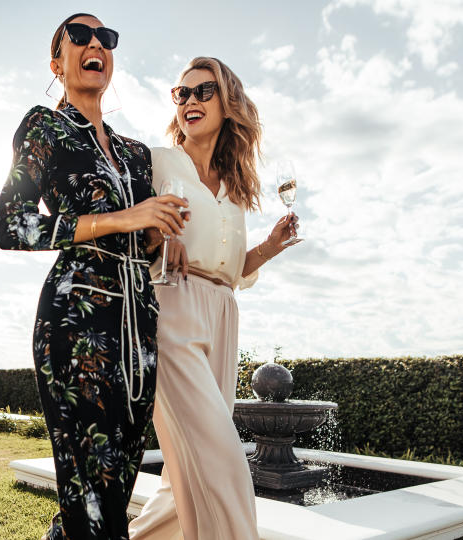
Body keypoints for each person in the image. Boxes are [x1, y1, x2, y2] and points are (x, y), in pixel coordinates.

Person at [0, 12, 189, 540]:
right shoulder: (45, 127)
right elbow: (11, 226)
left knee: (114, 487)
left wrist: (159, 232)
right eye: (78, 37)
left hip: (139, 321)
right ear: (57, 62)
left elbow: (141, 243)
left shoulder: (135, 153)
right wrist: (124, 218)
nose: (94, 43)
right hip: (76, 319)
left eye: (106, 38)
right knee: (90, 493)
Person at [129, 57, 300, 540]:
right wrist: (161, 233)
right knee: (221, 457)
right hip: (173, 306)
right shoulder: (159, 162)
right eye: (181, 94)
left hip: (224, 312)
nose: (190, 102)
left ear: (228, 104)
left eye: (203, 91)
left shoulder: (237, 186)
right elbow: (132, 240)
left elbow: (235, 270)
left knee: (183, 471)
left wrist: (269, 247)